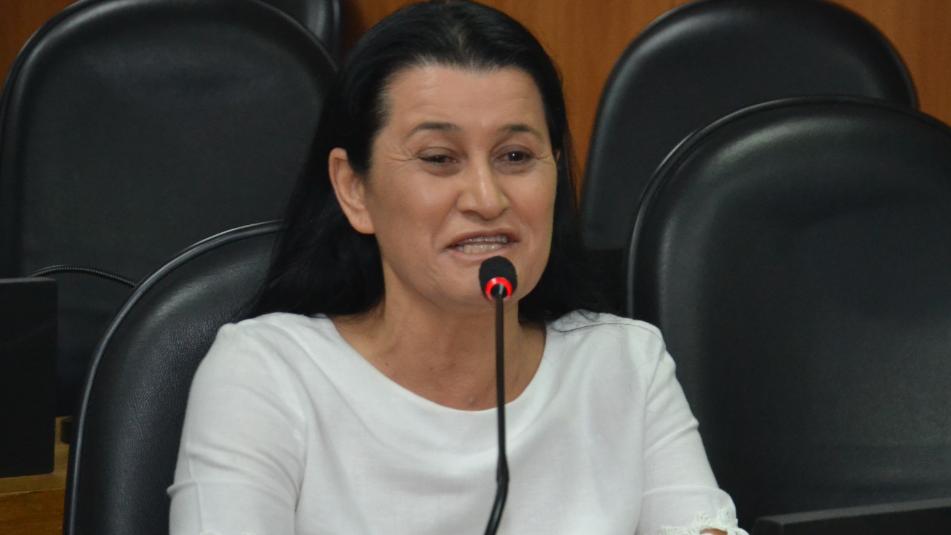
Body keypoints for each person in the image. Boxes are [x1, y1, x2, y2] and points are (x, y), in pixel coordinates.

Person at [168, 1, 747, 533]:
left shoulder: (624, 365)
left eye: (515, 156)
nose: (487, 199)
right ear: (354, 189)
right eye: (440, 158)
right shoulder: (268, 376)